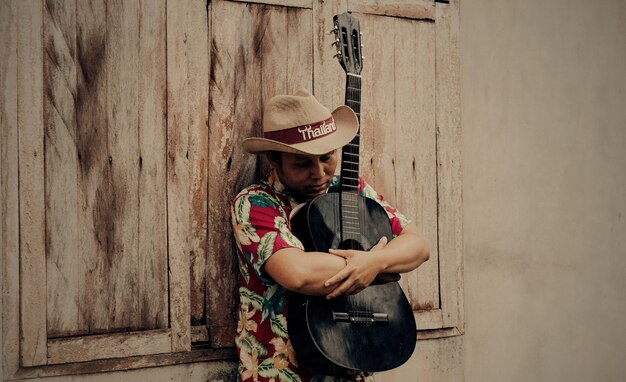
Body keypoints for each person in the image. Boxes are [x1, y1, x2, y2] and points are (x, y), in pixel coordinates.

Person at [231, 88, 430, 382]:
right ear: (274, 159)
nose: (320, 174)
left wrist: (376, 263)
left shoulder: (349, 189)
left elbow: (418, 245)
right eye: (302, 163)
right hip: (282, 371)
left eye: (327, 158)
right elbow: (299, 274)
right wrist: (375, 264)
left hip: (350, 365)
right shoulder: (255, 203)